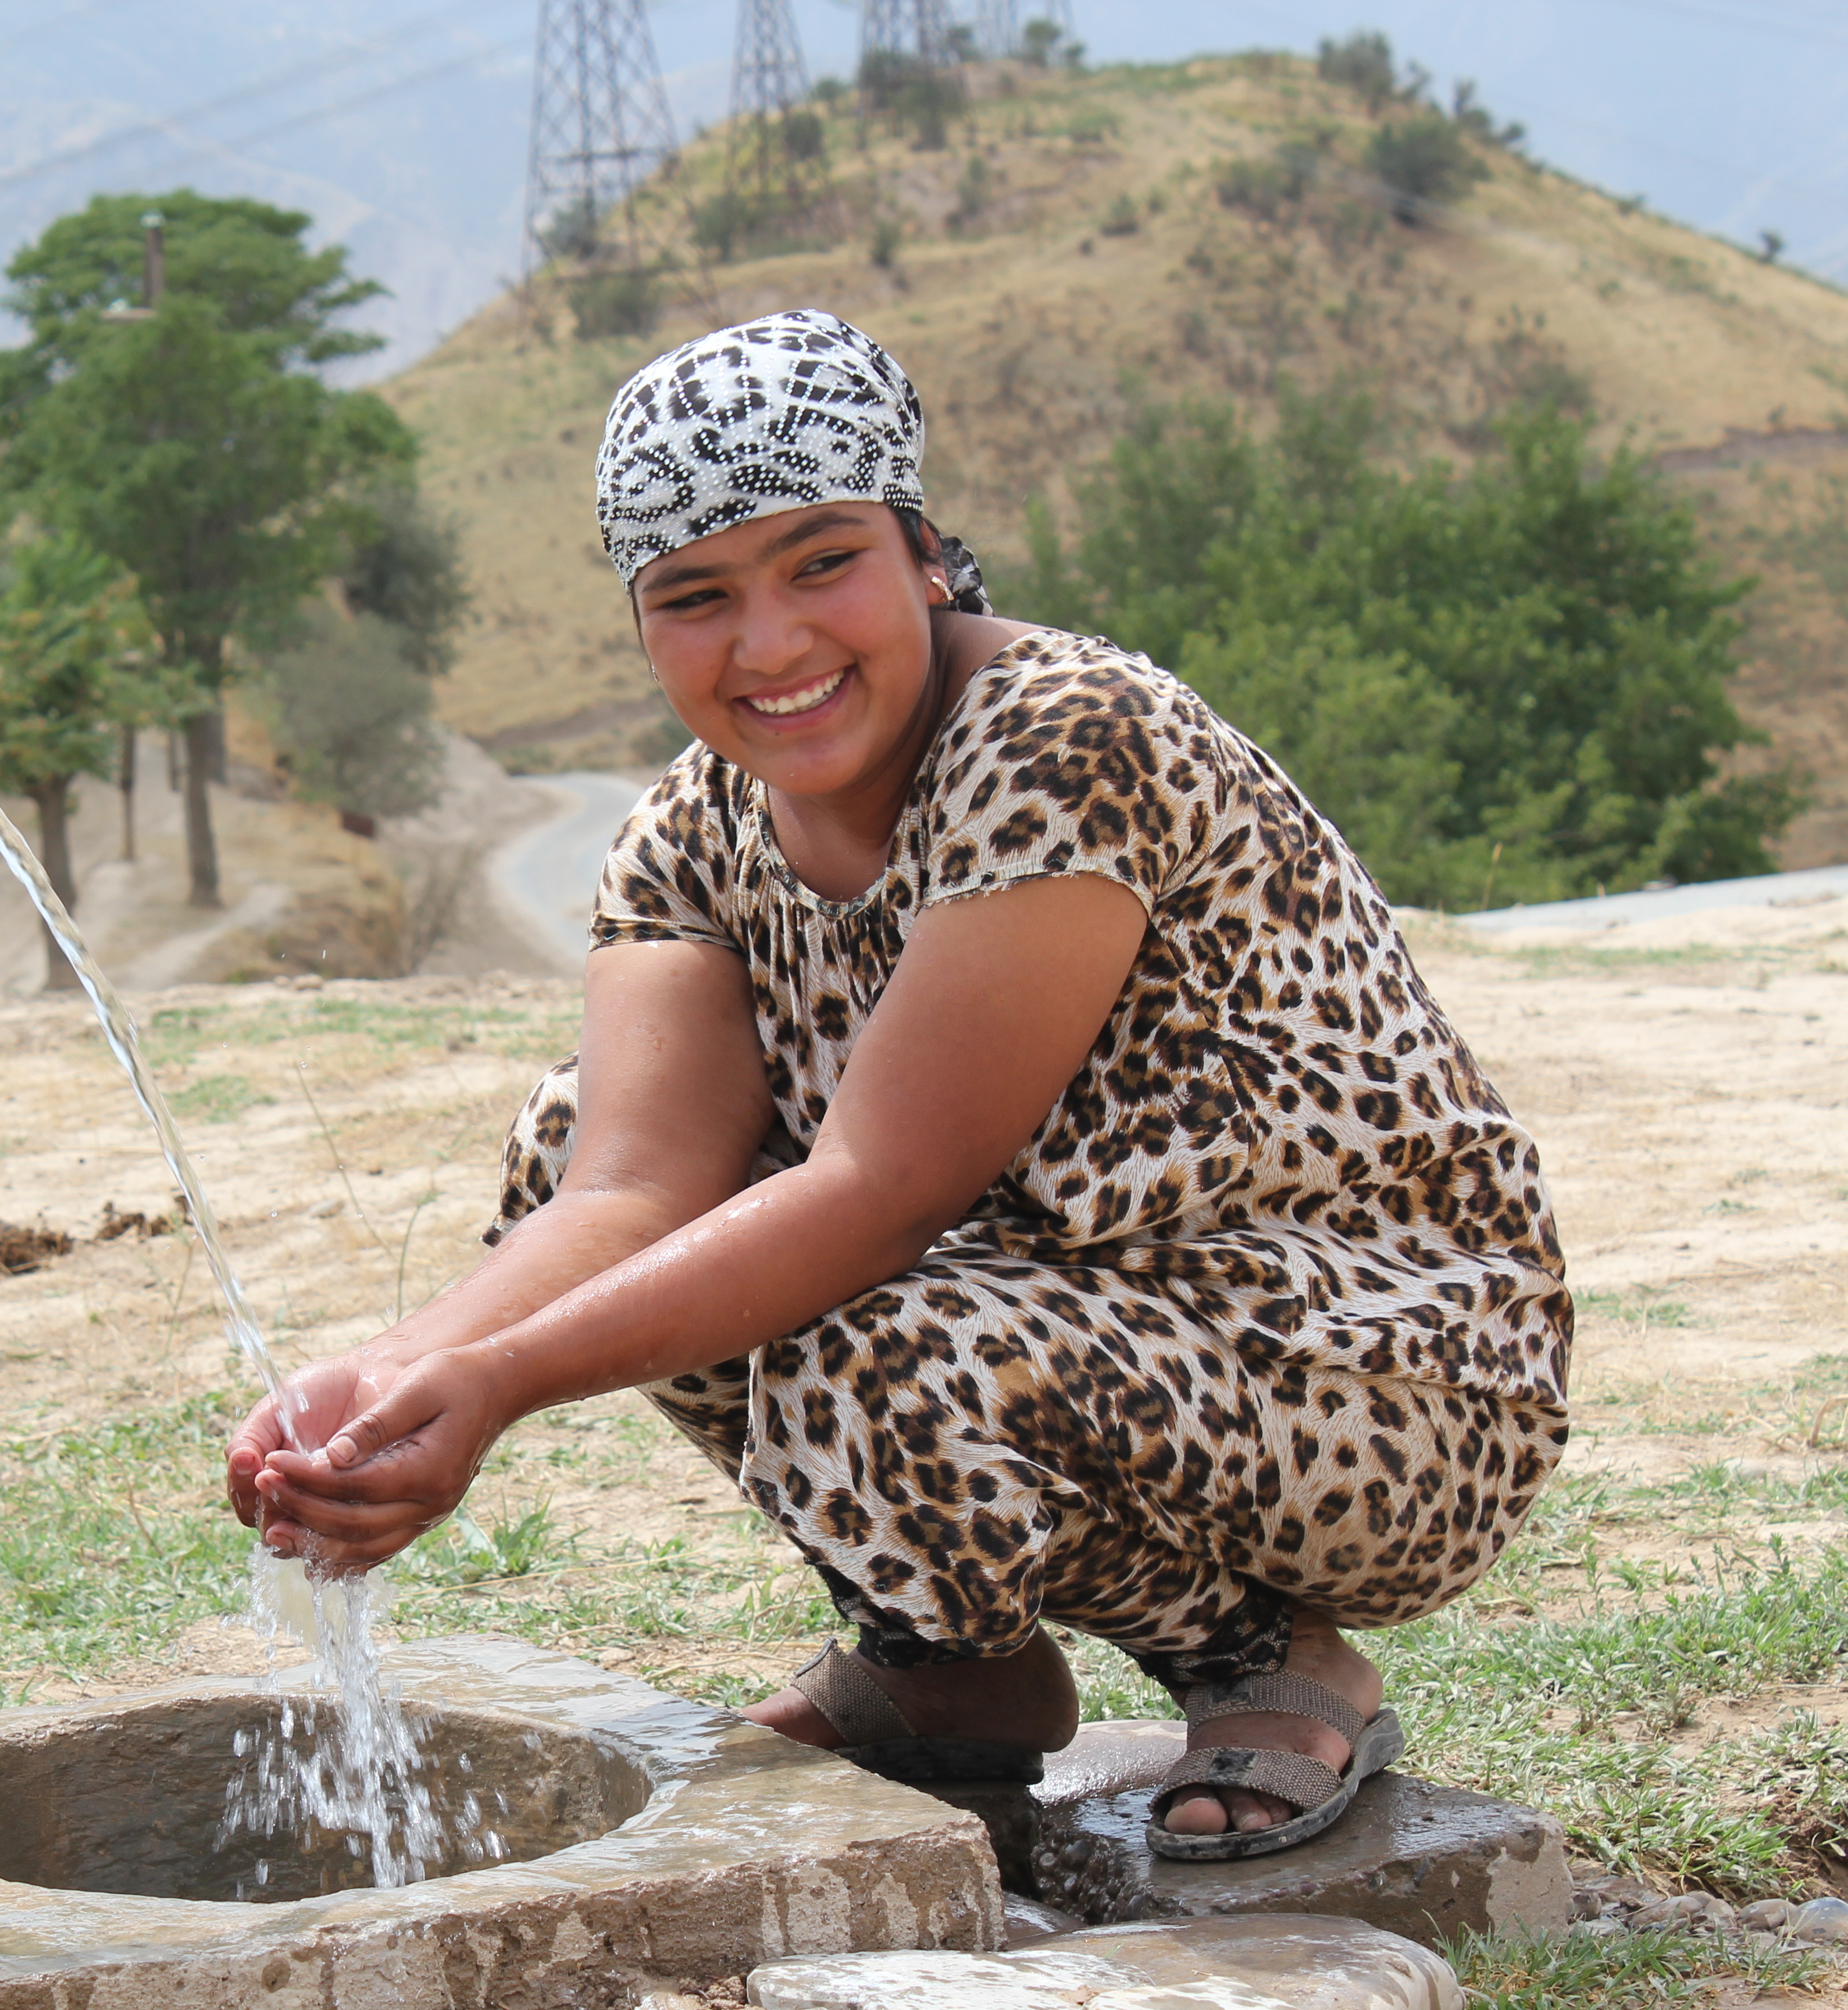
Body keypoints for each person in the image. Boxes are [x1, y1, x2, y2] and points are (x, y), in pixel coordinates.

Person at [223, 309, 1569, 1862]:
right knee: (569, 1138)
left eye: (822, 563)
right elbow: (626, 1192)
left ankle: (1262, 1660)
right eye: (696, 597)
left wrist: (502, 1389)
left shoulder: (1062, 739)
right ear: (641, 624)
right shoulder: (694, 832)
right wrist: (393, 1380)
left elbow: (885, 1192)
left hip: (1378, 1368)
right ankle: (953, 1666)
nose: (772, 644)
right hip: (1083, 1317)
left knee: (866, 1311)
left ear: (925, 551)